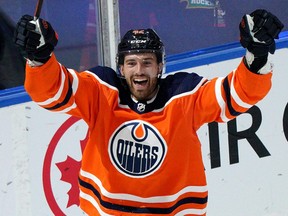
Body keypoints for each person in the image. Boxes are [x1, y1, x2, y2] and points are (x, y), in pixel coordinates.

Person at [13, 9, 283, 216]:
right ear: (121, 68)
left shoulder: (184, 95)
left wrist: (256, 58)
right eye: (131, 63)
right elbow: (52, 92)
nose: (139, 70)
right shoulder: (101, 91)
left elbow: (235, 95)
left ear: (160, 67)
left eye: (147, 62)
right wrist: (39, 59)